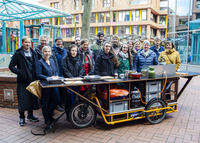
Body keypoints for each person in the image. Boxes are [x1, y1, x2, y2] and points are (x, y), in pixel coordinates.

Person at [9, 36, 39, 126]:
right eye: (26, 42)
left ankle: (30, 115)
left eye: (29, 42)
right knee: (22, 99)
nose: (27, 44)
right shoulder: (18, 53)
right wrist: (21, 72)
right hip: (22, 81)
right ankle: (22, 117)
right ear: (22, 43)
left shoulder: (34, 53)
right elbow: (11, 66)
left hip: (32, 80)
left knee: (31, 98)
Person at [36, 46, 60, 125]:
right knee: (45, 103)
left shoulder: (52, 60)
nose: (47, 53)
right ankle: (47, 119)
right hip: (45, 85)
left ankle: (50, 114)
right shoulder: (40, 62)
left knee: (57, 100)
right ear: (42, 53)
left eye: (49, 51)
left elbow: (56, 71)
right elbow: (38, 75)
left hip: (53, 84)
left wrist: (56, 76)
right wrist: (48, 78)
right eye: (46, 51)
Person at [62, 44, 84, 114]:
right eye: (72, 50)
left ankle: (73, 114)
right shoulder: (65, 59)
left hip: (77, 82)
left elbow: (81, 69)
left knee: (75, 99)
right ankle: (68, 114)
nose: (74, 52)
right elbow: (65, 70)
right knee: (68, 99)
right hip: (69, 82)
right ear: (69, 51)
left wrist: (79, 78)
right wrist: (72, 79)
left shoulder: (78, 58)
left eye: (75, 51)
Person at [52, 37, 67, 111]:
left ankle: (63, 104)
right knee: (57, 91)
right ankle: (57, 105)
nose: (59, 43)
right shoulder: (52, 50)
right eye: (57, 42)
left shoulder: (65, 51)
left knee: (63, 90)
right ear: (55, 42)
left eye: (60, 42)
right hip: (56, 73)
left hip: (63, 73)